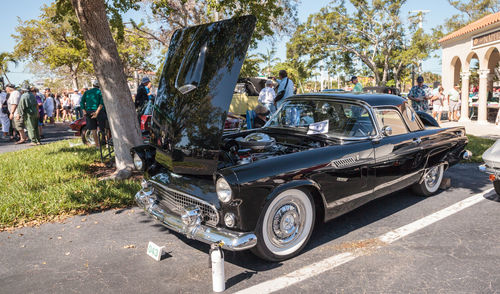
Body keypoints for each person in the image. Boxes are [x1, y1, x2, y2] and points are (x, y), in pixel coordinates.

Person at [80, 80, 105, 147]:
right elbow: (101, 104)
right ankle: (105, 143)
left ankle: (97, 145)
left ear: (93, 85)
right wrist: (97, 112)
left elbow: (82, 102)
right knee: (103, 128)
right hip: (99, 111)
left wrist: (84, 111)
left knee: (93, 129)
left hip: (89, 111)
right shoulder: (100, 92)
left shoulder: (87, 92)